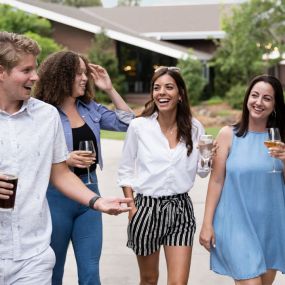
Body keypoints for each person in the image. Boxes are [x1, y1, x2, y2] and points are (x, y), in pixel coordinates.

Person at [0, 31, 132, 285]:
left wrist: (98, 201)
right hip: (53, 202)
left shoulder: (46, 116)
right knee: (57, 272)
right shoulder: (54, 110)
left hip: (33, 253)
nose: (34, 76)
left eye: (35, 69)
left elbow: (59, 172)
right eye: (26, 70)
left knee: (89, 271)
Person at [33, 50, 134, 285]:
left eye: (84, 73)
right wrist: (64, 160)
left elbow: (128, 124)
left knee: (90, 273)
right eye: (78, 73)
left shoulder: (91, 109)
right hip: (54, 197)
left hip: (90, 192)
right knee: (52, 271)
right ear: (61, 76)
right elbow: (32, 156)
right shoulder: (42, 112)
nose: (84, 78)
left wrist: (109, 88)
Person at [117, 66, 214, 285]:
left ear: (180, 94)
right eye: (157, 88)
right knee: (150, 279)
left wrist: (208, 158)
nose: (162, 92)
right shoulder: (139, 126)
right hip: (146, 208)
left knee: (178, 283)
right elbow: (125, 169)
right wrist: (132, 207)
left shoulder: (195, 127)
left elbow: (202, 172)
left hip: (181, 210)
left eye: (169, 87)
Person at [199, 74, 285, 285]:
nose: (258, 102)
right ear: (247, 98)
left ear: (275, 105)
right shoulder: (228, 135)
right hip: (235, 223)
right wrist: (207, 224)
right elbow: (216, 180)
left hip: (270, 224)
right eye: (254, 95)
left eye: (267, 98)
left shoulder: (280, 139)